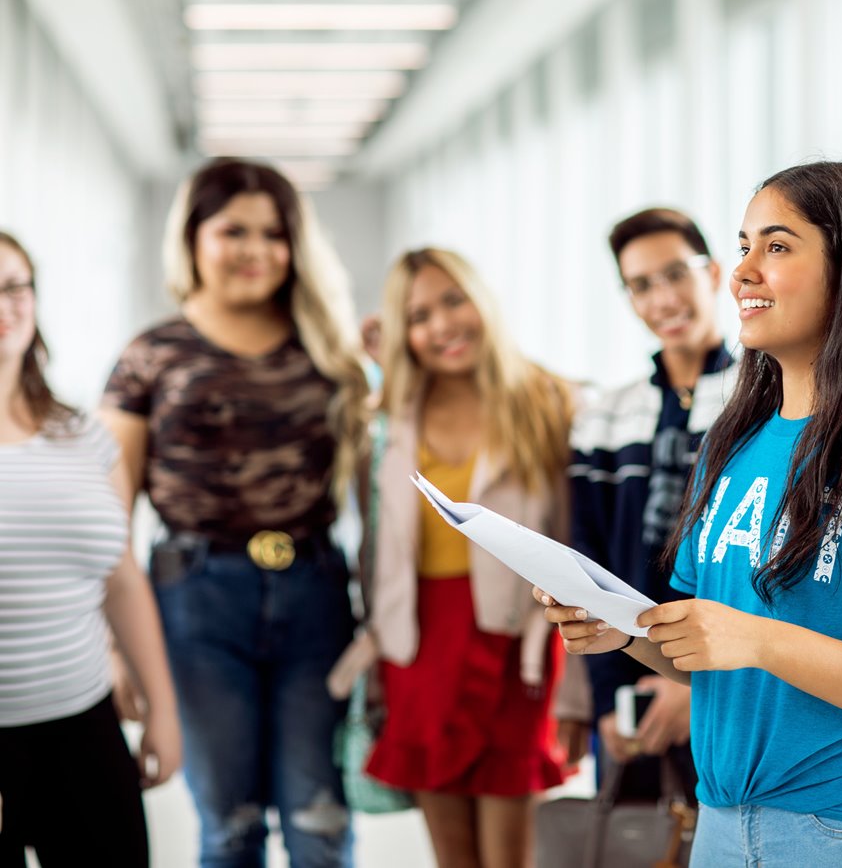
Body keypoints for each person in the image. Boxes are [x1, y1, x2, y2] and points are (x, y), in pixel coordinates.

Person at [542, 161, 842, 867]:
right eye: (744, 245)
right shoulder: (736, 441)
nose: (743, 271)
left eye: (776, 247)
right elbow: (715, 652)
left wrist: (760, 639)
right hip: (725, 827)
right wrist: (619, 629)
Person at [101, 158, 369, 867]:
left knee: (319, 816)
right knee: (229, 822)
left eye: (274, 233)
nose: (256, 250)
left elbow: (388, 482)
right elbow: (108, 512)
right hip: (194, 599)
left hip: (315, 594)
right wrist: (112, 644)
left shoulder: (329, 349)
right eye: (233, 230)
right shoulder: (150, 354)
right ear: (192, 239)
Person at [330, 247, 587, 868]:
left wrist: (577, 690)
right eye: (418, 316)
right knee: (452, 857)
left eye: (453, 300)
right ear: (401, 333)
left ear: (482, 302)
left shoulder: (545, 399)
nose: (442, 325)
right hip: (419, 645)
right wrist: (374, 359)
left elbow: (576, 542)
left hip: (514, 645)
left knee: (509, 855)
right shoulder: (390, 416)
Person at [0, 231, 180, 867]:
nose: (3, 305)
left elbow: (122, 578)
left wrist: (161, 707)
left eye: (14, 286)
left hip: (82, 722)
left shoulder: (84, 436)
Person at [568, 207, 733, 796]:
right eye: (641, 284)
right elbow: (585, 555)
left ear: (713, 274)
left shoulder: (767, 399)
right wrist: (610, 689)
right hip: (626, 682)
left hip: (732, 681)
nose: (663, 298)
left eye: (675, 274)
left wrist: (689, 683)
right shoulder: (604, 416)